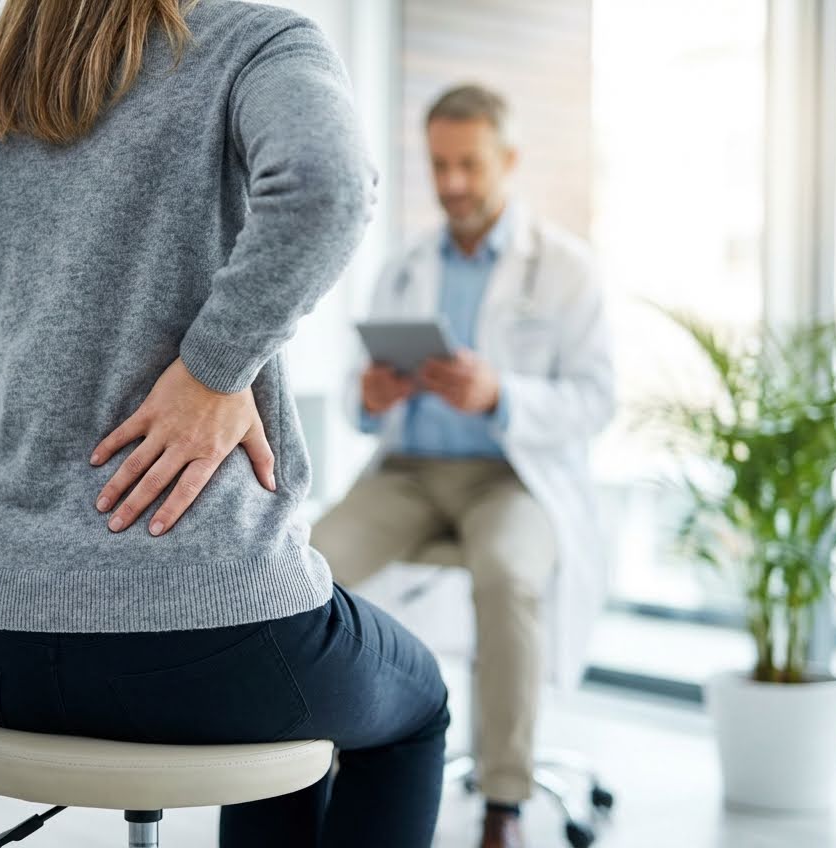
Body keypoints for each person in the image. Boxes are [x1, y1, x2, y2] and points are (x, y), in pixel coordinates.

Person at [0, 1, 449, 846]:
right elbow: (329, 182)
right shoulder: (252, 40)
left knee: (280, 712)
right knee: (416, 699)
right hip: (211, 636)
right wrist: (210, 372)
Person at [311, 84, 614, 848]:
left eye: (469, 165)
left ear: (508, 160)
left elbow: (596, 401)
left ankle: (503, 802)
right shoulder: (407, 265)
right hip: (408, 472)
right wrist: (370, 393)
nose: (451, 184)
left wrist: (499, 395)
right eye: (439, 165)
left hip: (511, 480)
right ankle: (318, 763)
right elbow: (358, 398)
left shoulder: (567, 271)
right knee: (308, 567)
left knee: (509, 576)